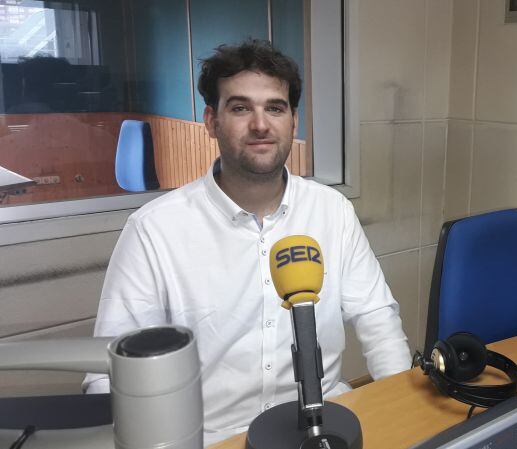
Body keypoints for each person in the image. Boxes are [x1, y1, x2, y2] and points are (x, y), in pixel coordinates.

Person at [83, 39, 412, 446]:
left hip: (325, 429)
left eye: (275, 108)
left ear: (293, 121)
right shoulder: (153, 230)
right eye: (240, 108)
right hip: (211, 438)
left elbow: (378, 320)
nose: (260, 124)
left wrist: (402, 410)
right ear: (211, 121)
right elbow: (106, 373)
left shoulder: (333, 212)